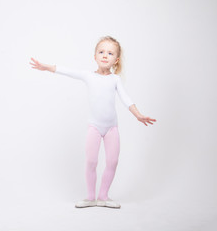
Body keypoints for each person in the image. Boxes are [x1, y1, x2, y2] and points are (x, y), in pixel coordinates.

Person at [29, 36, 156, 209]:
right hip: (94, 127)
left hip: (112, 128)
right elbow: (67, 70)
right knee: (91, 161)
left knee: (112, 162)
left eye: (110, 53)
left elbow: (126, 99)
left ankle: (103, 196)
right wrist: (46, 67)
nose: (105, 55)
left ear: (116, 60)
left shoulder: (115, 79)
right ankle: (90, 197)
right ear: (95, 56)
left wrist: (138, 115)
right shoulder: (88, 76)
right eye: (101, 52)